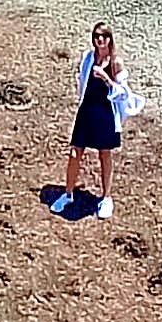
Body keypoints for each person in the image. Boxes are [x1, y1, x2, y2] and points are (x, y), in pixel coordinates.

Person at [50, 22, 142, 220]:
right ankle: (68, 194)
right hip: (86, 111)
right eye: (96, 36)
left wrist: (107, 80)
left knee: (104, 155)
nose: (100, 40)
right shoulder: (88, 58)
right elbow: (81, 80)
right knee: (75, 153)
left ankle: (106, 197)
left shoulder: (116, 63)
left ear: (110, 39)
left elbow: (123, 94)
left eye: (104, 36)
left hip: (105, 114)